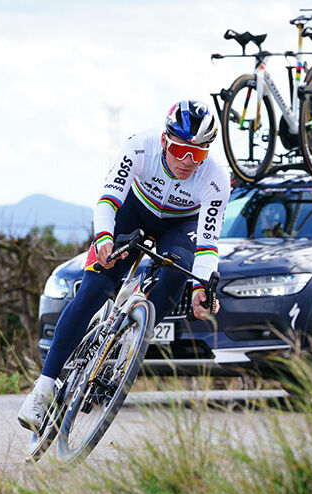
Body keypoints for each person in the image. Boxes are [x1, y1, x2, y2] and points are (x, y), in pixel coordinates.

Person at [18, 99, 231, 431]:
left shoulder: (216, 178)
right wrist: (104, 237)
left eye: (198, 154)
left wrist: (201, 287)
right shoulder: (140, 147)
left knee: (177, 275)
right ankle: (43, 389)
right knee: (94, 288)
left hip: (180, 226)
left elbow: (207, 242)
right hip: (133, 211)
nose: (187, 161)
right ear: (165, 141)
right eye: (179, 151)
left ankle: (130, 344)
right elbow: (108, 198)